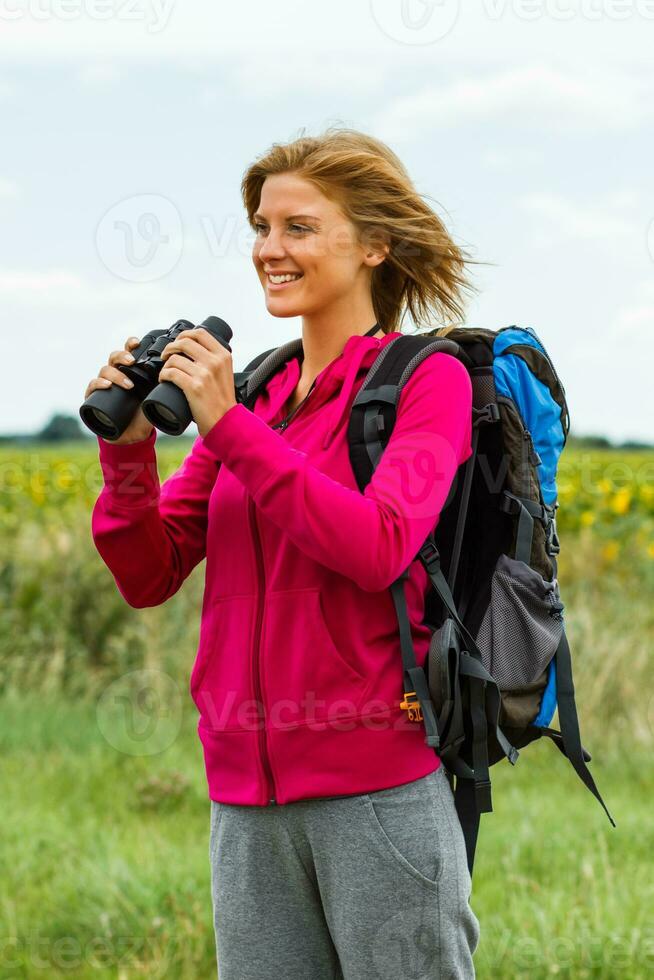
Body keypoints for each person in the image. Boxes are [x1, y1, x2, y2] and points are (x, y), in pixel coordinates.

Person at [86, 126, 482, 979]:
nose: (270, 248)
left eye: (298, 227)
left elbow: (378, 546)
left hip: (376, 790)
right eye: (262, 227)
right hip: (245, 802)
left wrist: (226, 427)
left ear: (375, 243)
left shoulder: (425, 380)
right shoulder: (258, 395)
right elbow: (149, 572)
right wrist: (126, 452)